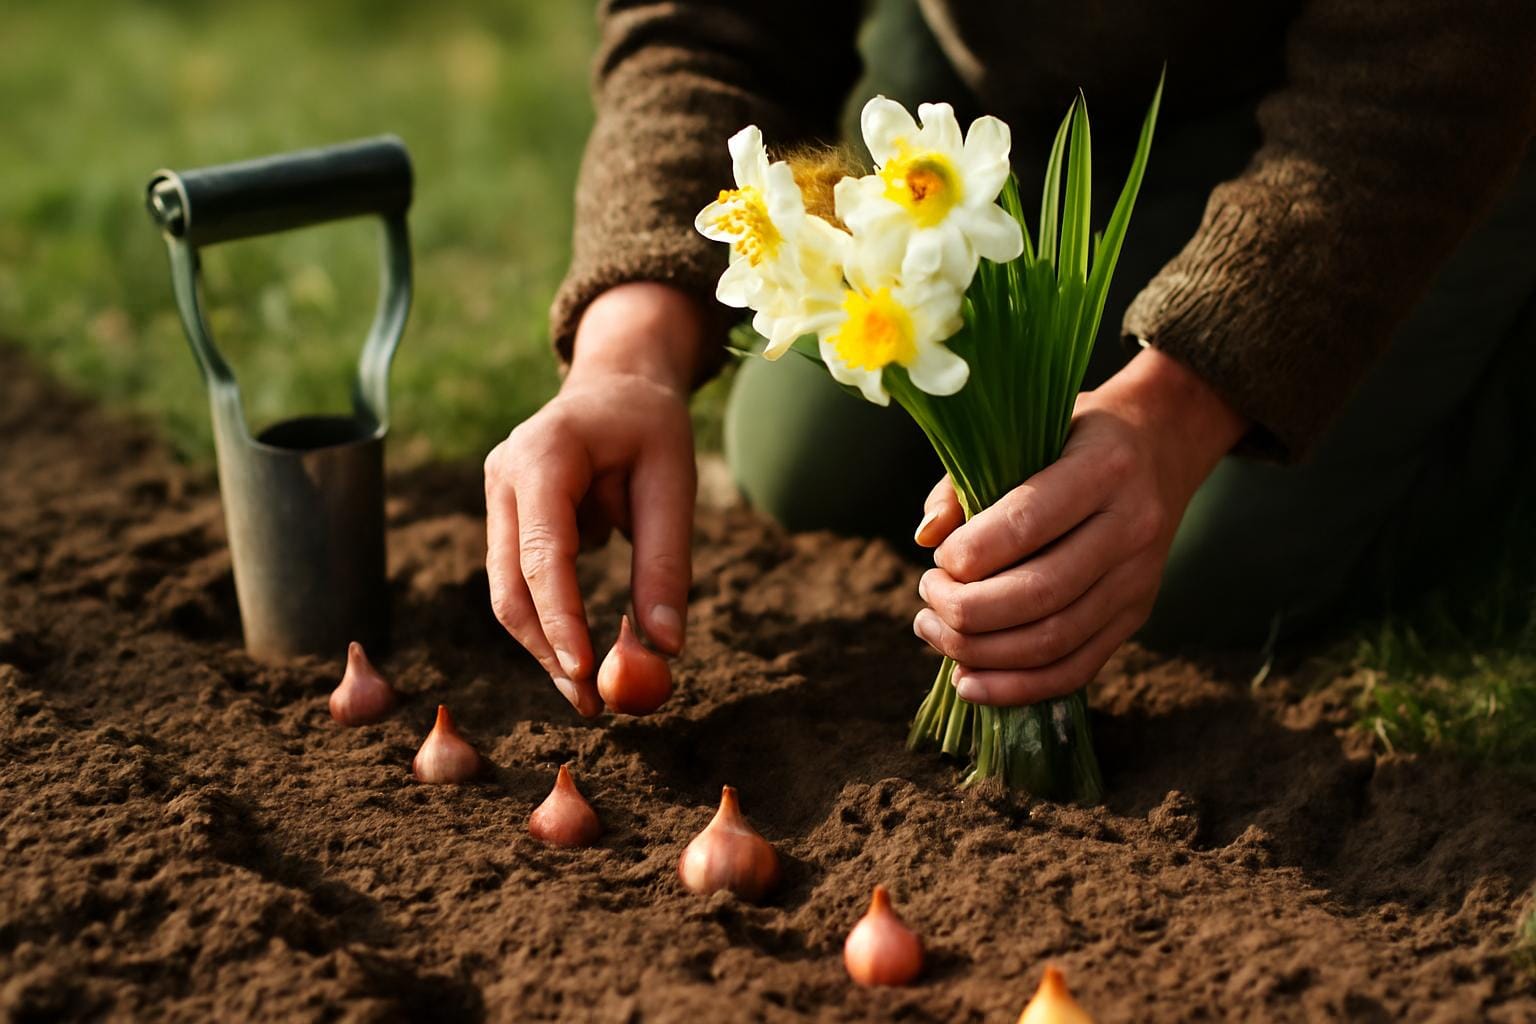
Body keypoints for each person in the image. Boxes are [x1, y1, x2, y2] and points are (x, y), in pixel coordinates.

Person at [482, 0, 1536, 717]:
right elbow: (706, 19)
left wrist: (1184, 406)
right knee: (812, 465)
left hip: (1411, 88)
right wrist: (627, 352)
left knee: (1206, 575)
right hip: (990, 88)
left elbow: (1426, 67)